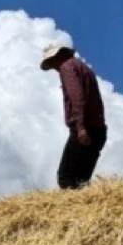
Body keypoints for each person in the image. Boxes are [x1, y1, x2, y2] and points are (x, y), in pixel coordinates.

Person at [40, 44, 107, 190]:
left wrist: (80, 128)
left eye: (51, 62)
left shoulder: (67, 68)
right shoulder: (83, 67)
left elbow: (77, 96)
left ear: (57, 57)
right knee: (81, 180)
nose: (54, 68)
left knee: (66, 177)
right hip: (98, 129)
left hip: (84, 129)